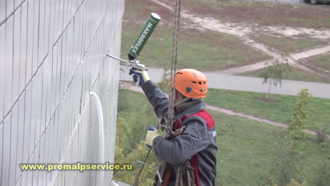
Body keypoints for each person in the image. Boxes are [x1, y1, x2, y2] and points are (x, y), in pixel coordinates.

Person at [129, 68, 217, 186]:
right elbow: (163, 105)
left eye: (172, 90)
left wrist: (156, 140)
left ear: (175, 94)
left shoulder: (198, 124)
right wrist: (146, 82)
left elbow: (177, 154)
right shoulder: (186, 113)